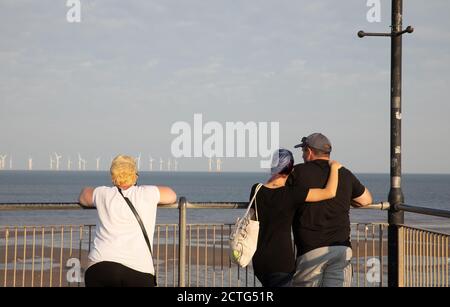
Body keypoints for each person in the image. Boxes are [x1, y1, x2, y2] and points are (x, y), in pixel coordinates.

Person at [287, 133, 373, 287]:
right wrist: (346, 197)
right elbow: (366, 200)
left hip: (310, 249)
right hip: (341, 248)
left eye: (303, 151)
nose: (302, 155)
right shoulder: (343, 173)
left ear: (310, 151)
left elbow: (280, 196)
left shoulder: (296, 172)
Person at [249, 148, 342, 287]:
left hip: (260, 261)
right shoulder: (292, 194)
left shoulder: (256, 189)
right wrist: (334, 168)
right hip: (281, 262)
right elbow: (329, 192)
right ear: (291, 169)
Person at [78, 155, 177, 287]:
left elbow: (84, 196)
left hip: (100, 266)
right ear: (135, 175)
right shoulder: (147, 193)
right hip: (138, 270)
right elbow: (172, 195)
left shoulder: (102, 193)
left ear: (113, 175)